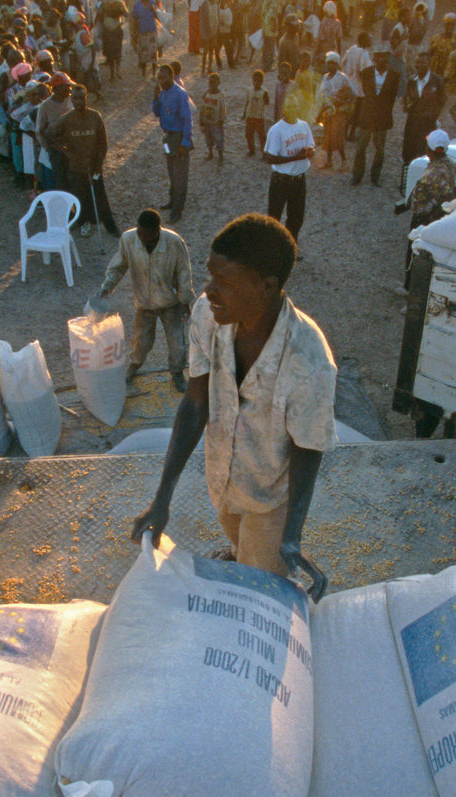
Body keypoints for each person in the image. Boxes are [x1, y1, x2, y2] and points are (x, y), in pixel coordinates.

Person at [130, 213, 334, 594]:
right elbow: (194, 404)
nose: (207, 290)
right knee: (243, 546)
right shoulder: (208, 316)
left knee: (258, 587)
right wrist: (162, 498)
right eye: (210, 276)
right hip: (222, 480)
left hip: (269, 497)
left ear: (266, 286)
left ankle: (260, 562)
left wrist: (292, 534)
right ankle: (244, 553)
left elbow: (308, 447)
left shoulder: (310, 360)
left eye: (224, 281)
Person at [99, 208, 192, 390]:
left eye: (147, 235)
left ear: (158, 231)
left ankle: (177, 373)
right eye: (140, 233)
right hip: (144, 303)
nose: (142, 238)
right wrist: (107, 287)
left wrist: (185, 300)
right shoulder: (128, 239)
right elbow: (118, 266)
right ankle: (133, 367)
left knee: (177, 342)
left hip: (170, 302)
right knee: (140, 341)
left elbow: (184, 272)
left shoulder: (173, 242)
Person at [48, 83, 119, 238]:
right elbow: (50, 136)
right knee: (80, 196)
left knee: (100, 195)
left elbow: (103, 143)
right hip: (76, 166)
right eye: (75, 98)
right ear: (71, 99)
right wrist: (67, 153)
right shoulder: (66, 119)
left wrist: (99, 163)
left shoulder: (95, 116)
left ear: (86, 97)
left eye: (82, 98)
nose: (79, 101)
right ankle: (84, 222)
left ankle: (110, 225)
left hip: (94, 165)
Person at [394, 128, 455, 291]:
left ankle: (410, 289)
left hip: (424, 219)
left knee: (414, 256)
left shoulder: (430, 175)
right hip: (438, 217)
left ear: (428, 148)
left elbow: (418, 203)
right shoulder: (450, 165)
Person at [263, 96, 313, 242]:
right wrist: (295, 158)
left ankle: (291, 248)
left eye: (295, 106)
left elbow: (311, 146)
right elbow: (269, 158)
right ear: (284, 109)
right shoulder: (276, 130)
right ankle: (272, 250)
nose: (293, 110)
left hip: (299, 179)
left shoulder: (303, 126)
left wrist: (311, 151)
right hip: (281, 180)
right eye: (289, 107)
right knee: (274, 219)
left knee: (296, 218)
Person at [151, 63, 193, 223]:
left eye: (163, 77)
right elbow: (156, 113)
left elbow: (187, 120)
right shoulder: (163, 93)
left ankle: (177, 209)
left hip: (178, 137)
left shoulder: (180, 94)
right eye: (158, 78)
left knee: (180, 175)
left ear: (171, 76)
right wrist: (155, 98)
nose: (160, 81)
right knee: (171, 171)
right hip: (168, 137)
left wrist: (185, 143)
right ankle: (172, 200)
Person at [352, 44, 398, 187]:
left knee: (380, 149)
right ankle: (357, 175)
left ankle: (375, 176)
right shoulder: (366, 73)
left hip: (382, 118)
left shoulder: (394, 75)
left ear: (388, 57)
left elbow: (392, 98)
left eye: (384, 56)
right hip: (367, 116)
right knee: (360, 148)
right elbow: (365, 93)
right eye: (378, 56)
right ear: (374, 57)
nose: (381, 59)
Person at [400, 51, 443, 173]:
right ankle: (406, 178)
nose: (418, 65)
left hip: (428, 123)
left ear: (429, 64)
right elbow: (407, 99)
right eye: (417, 62)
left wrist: (436, 116)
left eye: (422, 63)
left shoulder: (437, 81)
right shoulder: (412, 80)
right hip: (412, 122)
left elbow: (442, 101)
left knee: (425, 151)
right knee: (409, 151)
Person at [200, 72, 227, 163]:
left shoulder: (220, 95)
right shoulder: (206, 94)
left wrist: (221, 119)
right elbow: (202, 107)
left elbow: (223, 108)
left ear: (218, 83)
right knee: (208, 138)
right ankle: (210, 153)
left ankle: (220, 155)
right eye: (210, 82)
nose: (212, 84)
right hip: (207, 121)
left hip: (216, 122)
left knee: (219, 138)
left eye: (214, 82)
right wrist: (201, 120)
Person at [241, 68, 269, 156]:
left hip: (259, 117)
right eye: (255, 80)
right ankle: (251, 150)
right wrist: (244, 113)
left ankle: (264, 152)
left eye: (259, 81)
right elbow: (247, 102)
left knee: (261, 136)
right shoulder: (249, 90)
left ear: (262, 81)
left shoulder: (264, 92)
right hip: (250, 116)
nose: (257, 82)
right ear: (252, 80)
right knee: (249, 134)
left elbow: (267, 102)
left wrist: (266, 97)